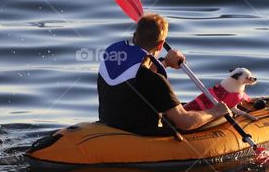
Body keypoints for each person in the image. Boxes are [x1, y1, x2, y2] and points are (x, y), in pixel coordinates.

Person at [97, 13, 231, 135]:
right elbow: (184, 122)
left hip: (110, 126)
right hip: (140, 136)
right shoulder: (155, 80)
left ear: (134, 37)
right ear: (161, 45)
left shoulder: (111, 61)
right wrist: (215, 112)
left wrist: (166, 62)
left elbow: (139, 77)